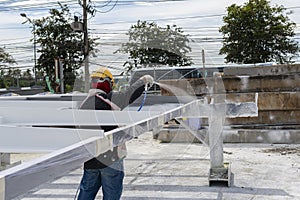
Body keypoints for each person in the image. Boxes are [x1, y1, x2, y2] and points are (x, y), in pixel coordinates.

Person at [77, 67, 154, 200]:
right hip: (111, 160)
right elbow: (129, 94)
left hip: (90, 160)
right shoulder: (110, 99)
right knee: (112, 195)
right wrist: (143, 81)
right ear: (107, 83)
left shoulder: (83, 104)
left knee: (86, 193)